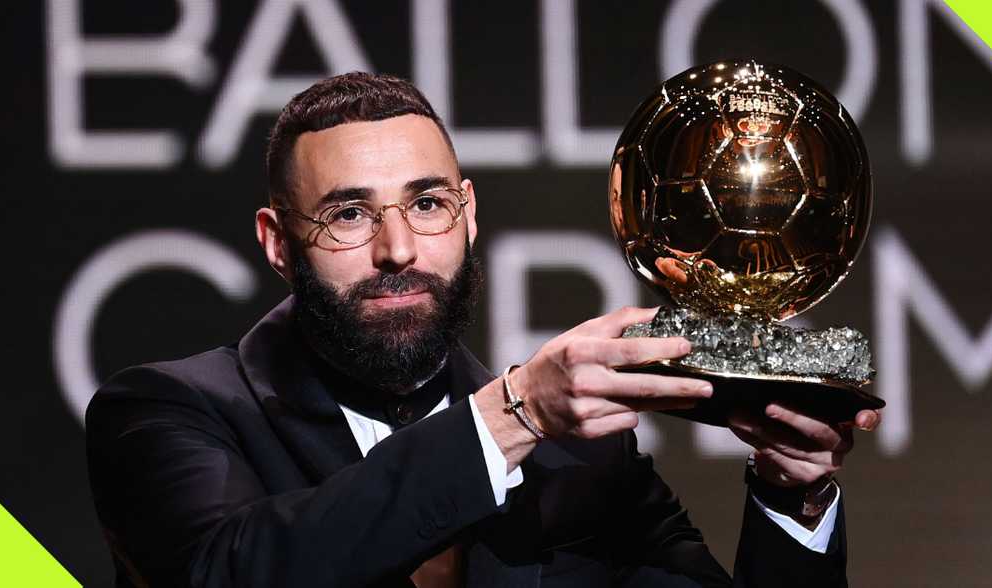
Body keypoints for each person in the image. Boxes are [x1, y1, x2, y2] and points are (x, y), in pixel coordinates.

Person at [85, 72, 880, 588]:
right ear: (276, 240)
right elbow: (228, 574)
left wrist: (790, 498)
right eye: (349, 213)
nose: (399, 250)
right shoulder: (166, 411)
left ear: (469, 215)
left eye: (428, 205)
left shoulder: (584, 453)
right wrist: (515, 415)